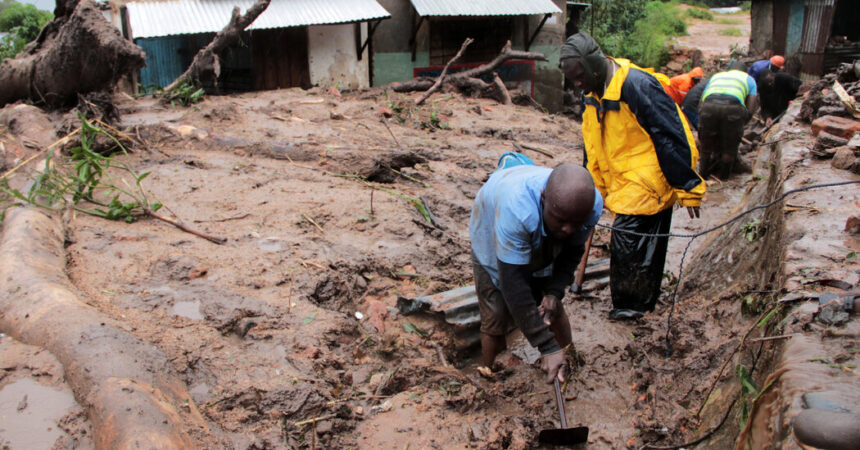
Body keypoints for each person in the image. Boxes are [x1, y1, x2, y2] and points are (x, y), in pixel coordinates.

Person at [558, 32, 705, 320]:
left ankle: (632, 310)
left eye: (579, 77)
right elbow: (591, 141)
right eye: (572, 79)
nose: (577, 84)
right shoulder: (591, 92)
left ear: (594, 66)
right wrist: (593, 184)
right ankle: (638, 303)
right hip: (621, 179)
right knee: (639, 248)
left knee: (628, 241)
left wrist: (688, 187)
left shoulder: (636, 85)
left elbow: (672, 135)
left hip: (649, 178)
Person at [469, 156, 602, 384]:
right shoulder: (517, 211)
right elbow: (513, 284)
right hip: (492, 222)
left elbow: (572, 252)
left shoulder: (588, 207)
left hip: (539, 220)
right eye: (561, 220)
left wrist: (553, 292)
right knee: (496, 310)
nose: (569, 229)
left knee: (551, 307)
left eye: (575, 223)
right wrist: (547, 346)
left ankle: (567, 361)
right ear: (543, 199)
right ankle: (491, 377)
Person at [698, 61, 758, 179]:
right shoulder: (749, 79)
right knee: (729, 149)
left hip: (708, 106)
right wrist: (741, 124)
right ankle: (724, 179)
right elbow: (751, 107)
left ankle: (702, 176)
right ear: (744, 71)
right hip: (734, 108)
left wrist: (703, 116)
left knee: (705, 147)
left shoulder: (716, 76)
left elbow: (701, 101)